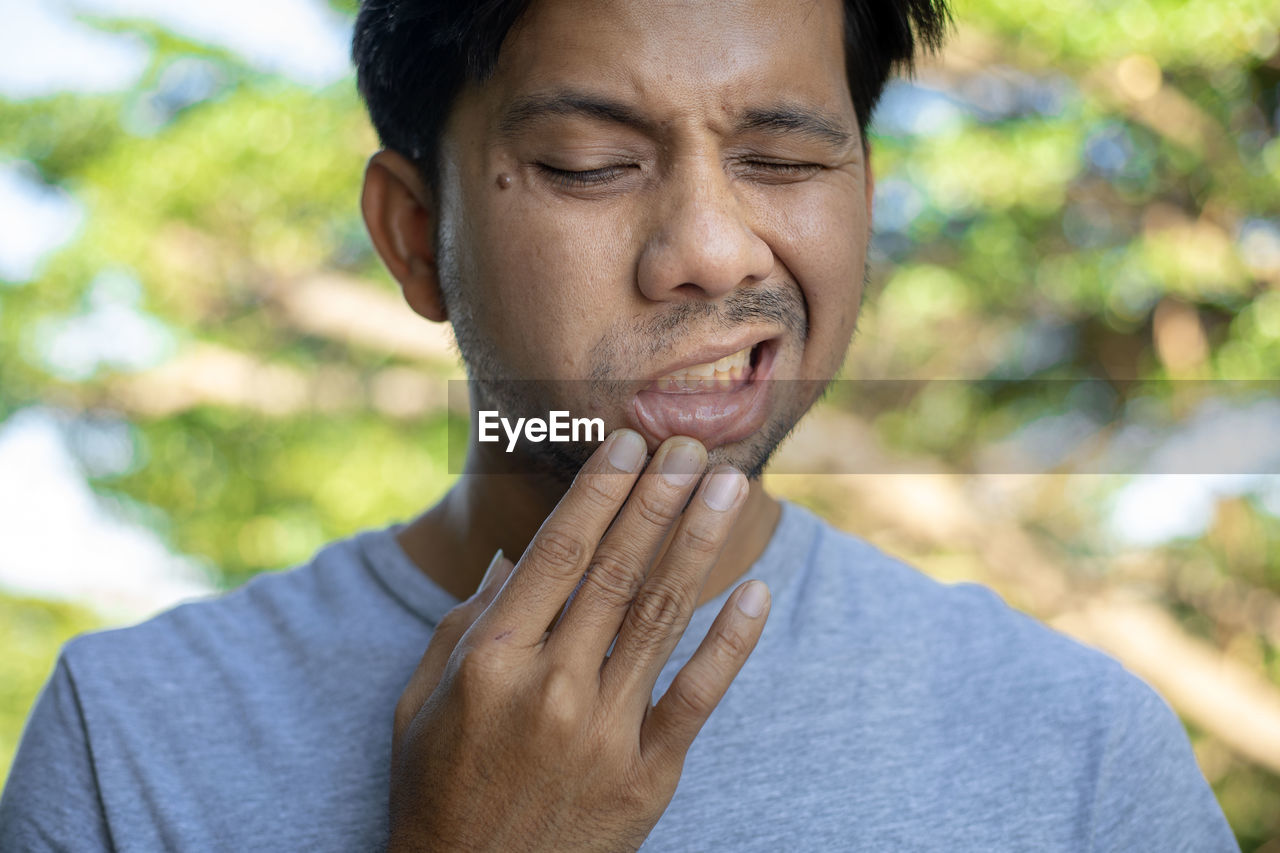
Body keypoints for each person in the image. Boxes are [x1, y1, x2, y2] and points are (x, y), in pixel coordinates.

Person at [0, 0, 1240, 850]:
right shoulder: (133, 735)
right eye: (590, 163)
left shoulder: (1077, 746)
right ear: (410, 237)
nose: (707, 251)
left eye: (785, 160)